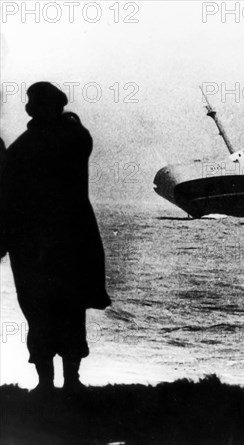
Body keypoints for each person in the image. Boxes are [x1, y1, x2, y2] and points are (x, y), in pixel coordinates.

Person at [0, 82, 111, 394]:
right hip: (68, 238)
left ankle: (47, 383)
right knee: (68, 310)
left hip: (33, 243)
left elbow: (7, 194)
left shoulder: (26, 145)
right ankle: (69, 381)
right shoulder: (72, 135)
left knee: (39, 310)